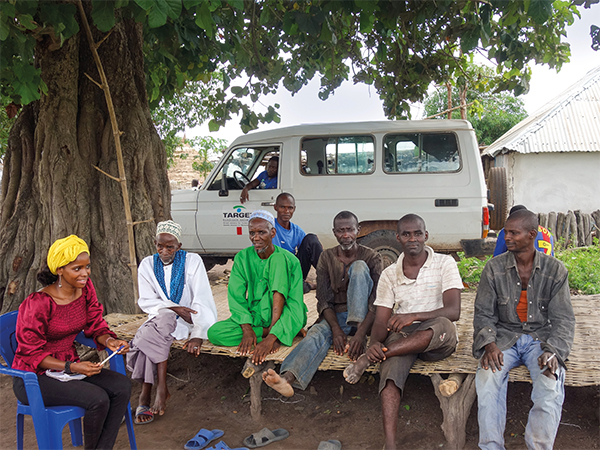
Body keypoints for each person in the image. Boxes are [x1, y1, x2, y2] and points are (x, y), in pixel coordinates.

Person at [343, 214, 463, 450]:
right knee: (389, 378)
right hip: (403, 338)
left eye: (417, 233)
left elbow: (453, 310)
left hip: (438, 336)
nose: (412, 238)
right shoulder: (390, 274)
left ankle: (368, 360)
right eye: (406, 234)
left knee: (440, 325)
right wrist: (375, 342)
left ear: (425, 236)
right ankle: (390, 444)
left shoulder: (444, 263)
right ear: (398, 238)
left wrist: (414, 316)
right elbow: (381, 319)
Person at [11, 235, 131, 450]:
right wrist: (72, 367)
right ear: (59, 270)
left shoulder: (85, 289)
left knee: (121, 386)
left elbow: (95, 325)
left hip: (68, 367)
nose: (85, 273)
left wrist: (110, 340)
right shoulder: (38, 303)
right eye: (77, 268)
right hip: (33, 377)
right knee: (98, 399)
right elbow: (30, 354)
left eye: (87, 267)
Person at [473, 209, 575, 450]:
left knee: (551, 379)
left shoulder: (555, 270)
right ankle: (491, 446)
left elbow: (563, 319)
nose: (506, 237)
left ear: (531, 235)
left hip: (541, 340)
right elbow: (484, 313)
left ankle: (538, 446)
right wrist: (489, 344)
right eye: (506, 232)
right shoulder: (494, 268)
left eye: (513, 233)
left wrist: (553, 351)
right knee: (487, 377)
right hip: (504, 338)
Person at [263, 210, 382, 397]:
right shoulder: (326, 258)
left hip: (367, 320)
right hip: (338, 316)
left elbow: (377, 302)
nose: (345, 235)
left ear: (358, 230)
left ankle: (357, 327)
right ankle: (287, 378)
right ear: (334, 232)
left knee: (359, 267)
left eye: (350, 230)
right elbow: (324, 300)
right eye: (340, 230)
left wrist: (360, 334)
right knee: (317, 332)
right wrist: (335, 329)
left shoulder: (372, 257)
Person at [126, 220, 217, 424]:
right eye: (160, 245)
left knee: (149, 335)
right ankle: (160, 388)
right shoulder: (148, 264)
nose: (164, 251)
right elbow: (147, 301)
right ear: (155, 243)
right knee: (162, 322)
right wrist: (174, 308)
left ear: (179, 246)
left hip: (189, 320)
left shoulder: (192, 261)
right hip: (161, 317)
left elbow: (201, 298)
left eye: (170, 247)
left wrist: (198, 334)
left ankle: (145, 393)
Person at [207, 210, 307, 365]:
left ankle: (278, 330)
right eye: (252, 233)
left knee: (278, 260)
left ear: (273, 232)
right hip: (255, 316)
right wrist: (247, 329)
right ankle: (277, 332)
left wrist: (271, 339)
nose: (256, 238)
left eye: (262, 232)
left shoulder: (290, 260)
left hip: (286, 314)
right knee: (214, 333)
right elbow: (236, 297)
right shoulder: (242, 257)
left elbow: (295, 301)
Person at [272, 192, 323, 293]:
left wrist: (315, 243)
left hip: (293, 270)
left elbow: (308, 249)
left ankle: (327, 279)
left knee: (311, 239)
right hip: (273, 272)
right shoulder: (269, 227)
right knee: (296, 288)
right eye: (282, 207)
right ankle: (307, 285)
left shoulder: (297, 231)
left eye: (290, 208)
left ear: (294, 209)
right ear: (275, 207)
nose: (286, 211)